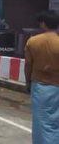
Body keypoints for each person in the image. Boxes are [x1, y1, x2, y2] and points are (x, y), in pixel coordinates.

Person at [25, 10, 59, 144]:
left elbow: (28, 65)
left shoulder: (33, 41)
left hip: (41, 87)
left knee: (42, 122)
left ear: (43, 24)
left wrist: (27, 83)